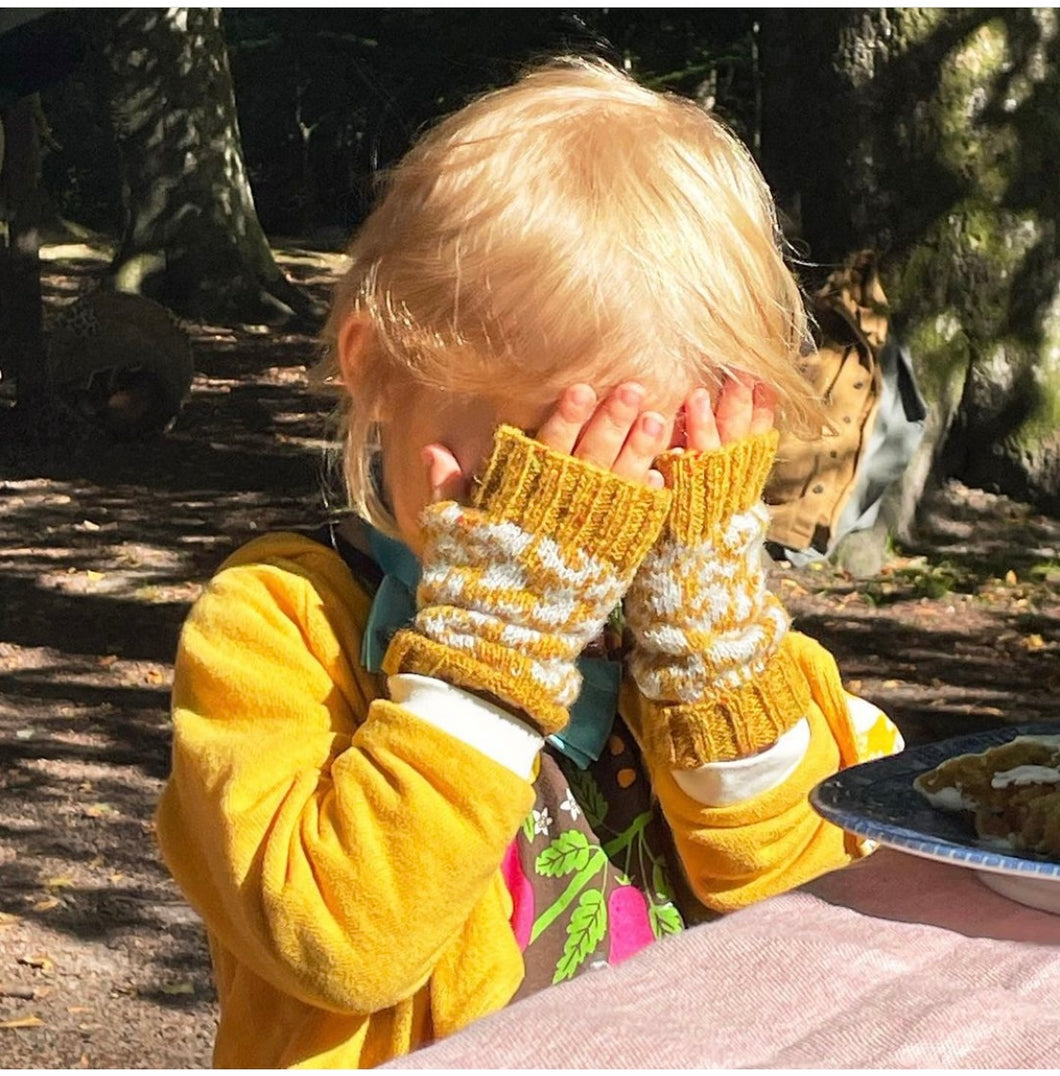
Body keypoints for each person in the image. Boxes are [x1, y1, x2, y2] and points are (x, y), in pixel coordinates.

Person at [155, 57, 903, 1069]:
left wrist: (717, 653)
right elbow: (336, 940)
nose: (584, 535)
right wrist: (490, 650)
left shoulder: (680, 626)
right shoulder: (280, 625)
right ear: (375, 364)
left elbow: (802, 891)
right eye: (537, 471)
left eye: (649, 466)